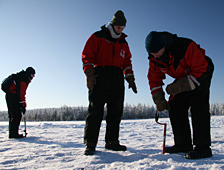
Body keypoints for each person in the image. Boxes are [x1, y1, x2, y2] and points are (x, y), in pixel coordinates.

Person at [145, 31, 214, 159]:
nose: (154, 55)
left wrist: (180, 86)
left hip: (202, 71)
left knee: (198, 105)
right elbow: (154, 79)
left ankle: (203, 147)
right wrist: (158, 98)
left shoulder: (185, 46)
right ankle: (183, 144)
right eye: (151, 53)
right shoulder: (154, 59)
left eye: (156, 51)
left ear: (164, 45)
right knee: (175, 105)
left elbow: (201, 68)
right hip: (183, 76)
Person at [82, 10, 137, 155]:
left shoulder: (124, 43)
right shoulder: (98, 37)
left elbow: (127, 62)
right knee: (95, 111)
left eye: (123, 28)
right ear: (112, 25)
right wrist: (89, 73)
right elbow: (87, 56)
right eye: (119, 27)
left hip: (117, 78)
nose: (121, 30)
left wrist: (130, 77)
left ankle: (112, 142)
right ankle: (91, 143)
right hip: (100, 75)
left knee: (116, 111)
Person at [4, 67, 36, 138]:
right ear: (29, 74)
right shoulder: (23, 79)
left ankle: (12, 133)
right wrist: (23, 105)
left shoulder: (21, 77)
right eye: (32, 75)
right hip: (13, 96)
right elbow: (21, 93)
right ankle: (13, 134)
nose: (33, 77)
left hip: (10, 95)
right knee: (17, 115)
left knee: (12, 115)